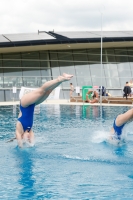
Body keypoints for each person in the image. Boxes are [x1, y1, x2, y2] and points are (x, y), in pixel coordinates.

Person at [15, 73, 73, 148]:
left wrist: (21, 145)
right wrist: (30, 143)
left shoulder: (20, 128)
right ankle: (60, 80)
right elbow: (32, 144)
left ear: (22, 137)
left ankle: (59, 79)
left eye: (27, 139)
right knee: (48, 92)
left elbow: (18, 139)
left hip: (24, 104)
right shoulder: (30, 130)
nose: (29, 138)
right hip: (32, 104)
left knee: (41, 90)